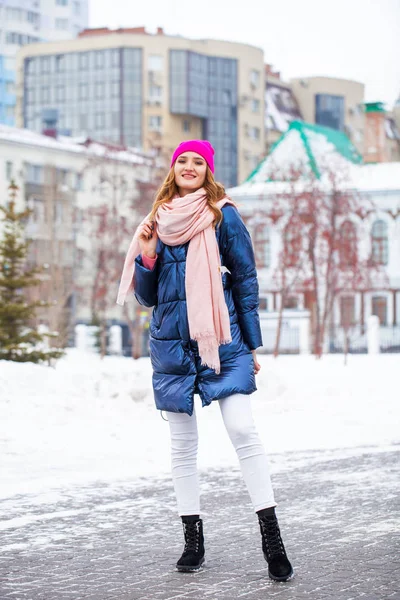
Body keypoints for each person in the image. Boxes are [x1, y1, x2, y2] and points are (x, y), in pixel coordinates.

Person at [117, 140, 294, 582]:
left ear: (208, 170)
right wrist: (148, 255)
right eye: (183, 161)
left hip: (223, 337)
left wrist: (251, 345)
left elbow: (247, 279)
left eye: (199, 161)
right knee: (182, 446)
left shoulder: (222, 215)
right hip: (172, 344)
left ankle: (272, 539)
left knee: (242, 429)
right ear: (173, 169)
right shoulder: (155, 221)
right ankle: (192, 540)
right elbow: (146, 297)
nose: (190, 166)